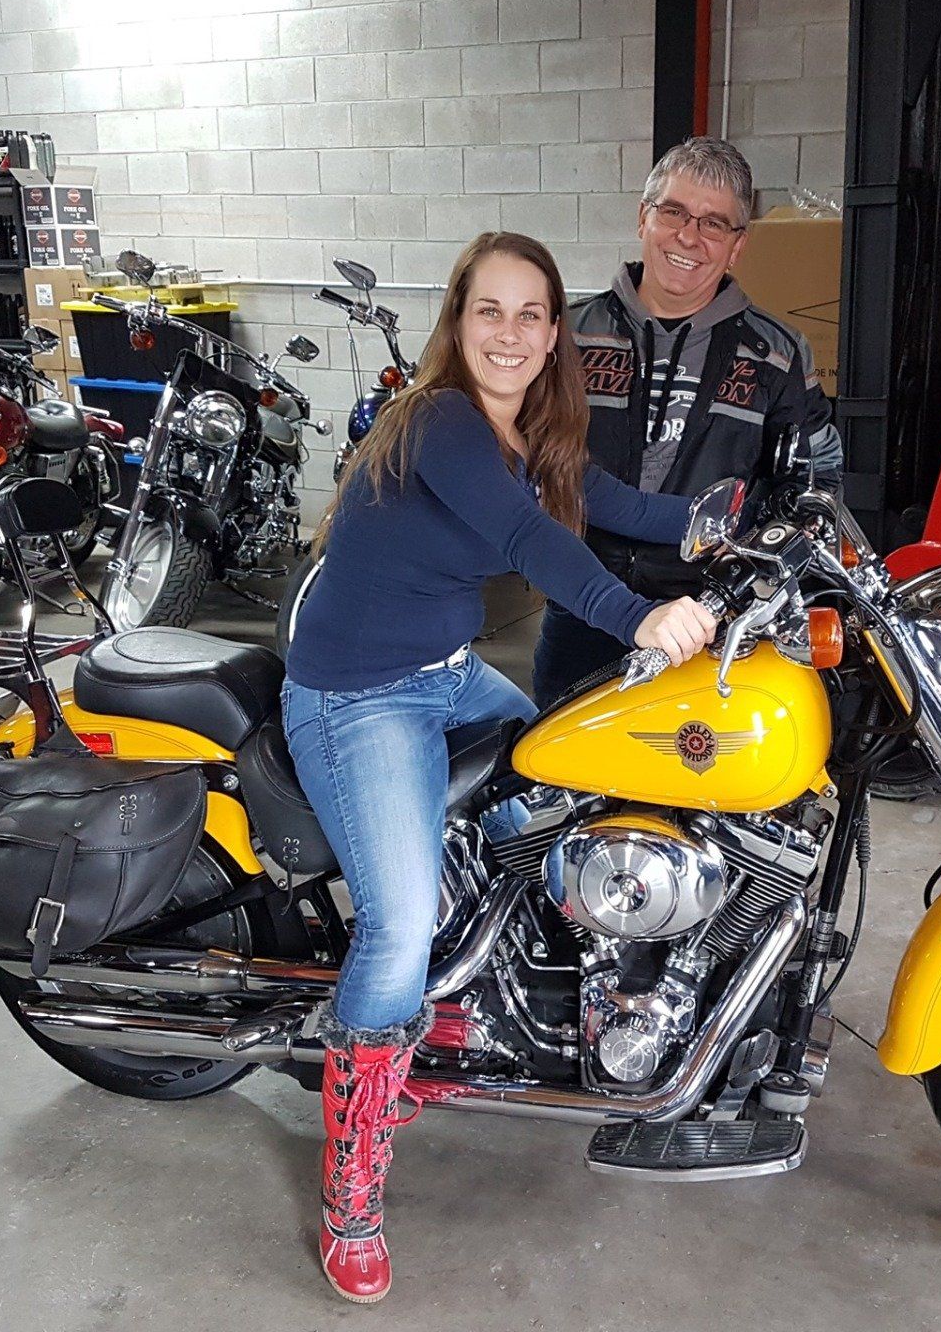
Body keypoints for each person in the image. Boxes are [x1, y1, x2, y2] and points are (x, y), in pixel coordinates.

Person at [281, 231, 716, 1304]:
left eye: (530, 314)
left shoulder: (528, 433)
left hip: (445, 671)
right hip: (357, 695)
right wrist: (637, 614)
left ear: (555, 332)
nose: (510, 333)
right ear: (459, 321)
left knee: (559, 801)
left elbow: (613, 504)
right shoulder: (438, 421)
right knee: (396, 925)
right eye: (490, 310)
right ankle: (353, 1186)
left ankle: (483, 992)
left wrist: (734, 524)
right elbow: (531, 539)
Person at [531, 136, 841, 706]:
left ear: (738, 246)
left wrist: (757, 547)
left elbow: (815, 482)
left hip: (707, 624)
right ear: (643, 217)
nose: (689, 237)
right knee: (549, 759)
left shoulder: (777, 354)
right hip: (582, 608)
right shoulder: (567, 336)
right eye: (673, 211)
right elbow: (522, 454)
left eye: (714, 223)